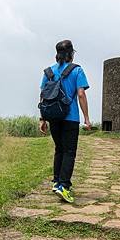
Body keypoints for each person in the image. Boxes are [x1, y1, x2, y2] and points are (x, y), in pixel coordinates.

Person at [39, 40, 91, 203]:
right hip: (70, 117)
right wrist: (87, 118)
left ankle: (56, 181)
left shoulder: (48, 72)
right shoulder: (77, 70)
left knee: (59, 149)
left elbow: (43, 94)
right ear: (71, 54)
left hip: (53, 116)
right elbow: (81, 94)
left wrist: (42, 118)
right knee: (69, 152)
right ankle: (64, 186)